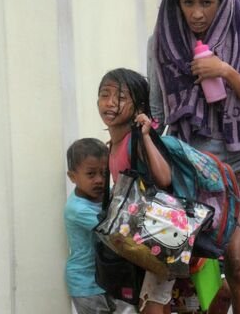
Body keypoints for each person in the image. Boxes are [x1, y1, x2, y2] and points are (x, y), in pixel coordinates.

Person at [148, 0, 240, 314]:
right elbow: (158, 116)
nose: (197, 13)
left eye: (206, 2)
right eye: (188, 2)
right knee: (194, 268)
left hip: (238, 165)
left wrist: (226, 72)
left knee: (236, 260)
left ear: (222, 1)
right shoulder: (161, 43)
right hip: (190, 170)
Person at [97, 68, 173, 314]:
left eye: (120, 98)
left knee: (152, 306)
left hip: (160, 235)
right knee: (151, 306)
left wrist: (146, 136)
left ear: (138, 105)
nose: (109, 103)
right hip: (139, 241)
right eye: (104, 94)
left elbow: (164, 178)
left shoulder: (136, 140)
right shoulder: (114, 144)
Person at [64, 138, 117, 314]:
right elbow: (111, 230)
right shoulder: (77, 208)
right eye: (91, 174)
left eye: (104, 173)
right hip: (86, 283)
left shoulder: (104, 196)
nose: (99, 180)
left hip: (106, 277)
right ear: (72, 176)